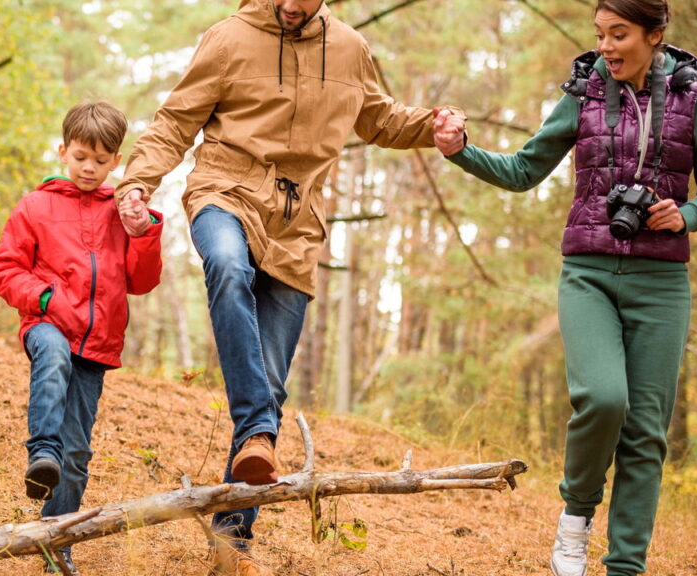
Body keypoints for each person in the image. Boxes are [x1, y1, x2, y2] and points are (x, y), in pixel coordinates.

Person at [114, 1, 460, 573]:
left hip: (298, 223)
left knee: (270, 383)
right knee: (227, 265)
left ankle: (232, 539)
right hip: (225, 190)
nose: (293, 4)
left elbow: (379, 119)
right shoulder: (228, 38)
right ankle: (257, 430)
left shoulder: (350, 47)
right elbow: (175, 121)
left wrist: (435, 125)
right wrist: (137, 183)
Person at [434, 2, 697, 575]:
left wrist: (689, 214)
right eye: (599, 34)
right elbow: (524, 170)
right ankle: (575, 518)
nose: (605, 46)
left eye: (619, 34)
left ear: (655, 35)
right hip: (589, 274)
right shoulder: (584, 93)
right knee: (604, 399)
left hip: (662, 283)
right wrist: (460, 152)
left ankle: (625, 567)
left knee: (646, 435)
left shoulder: (691, 96)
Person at [0, 101, 162, 574]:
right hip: (46, 324)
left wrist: (143, 231)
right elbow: (6, 269)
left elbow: (141, 281)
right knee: (52, 358)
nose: (90, 168)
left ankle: (56, 540)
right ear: (63, 151)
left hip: (97, 342)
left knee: (80, 449)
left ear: (116, 161)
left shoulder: (121, 210)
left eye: (102, 160)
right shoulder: (35, 205)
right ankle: (41, 451)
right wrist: (44, 300)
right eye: (81, 156)